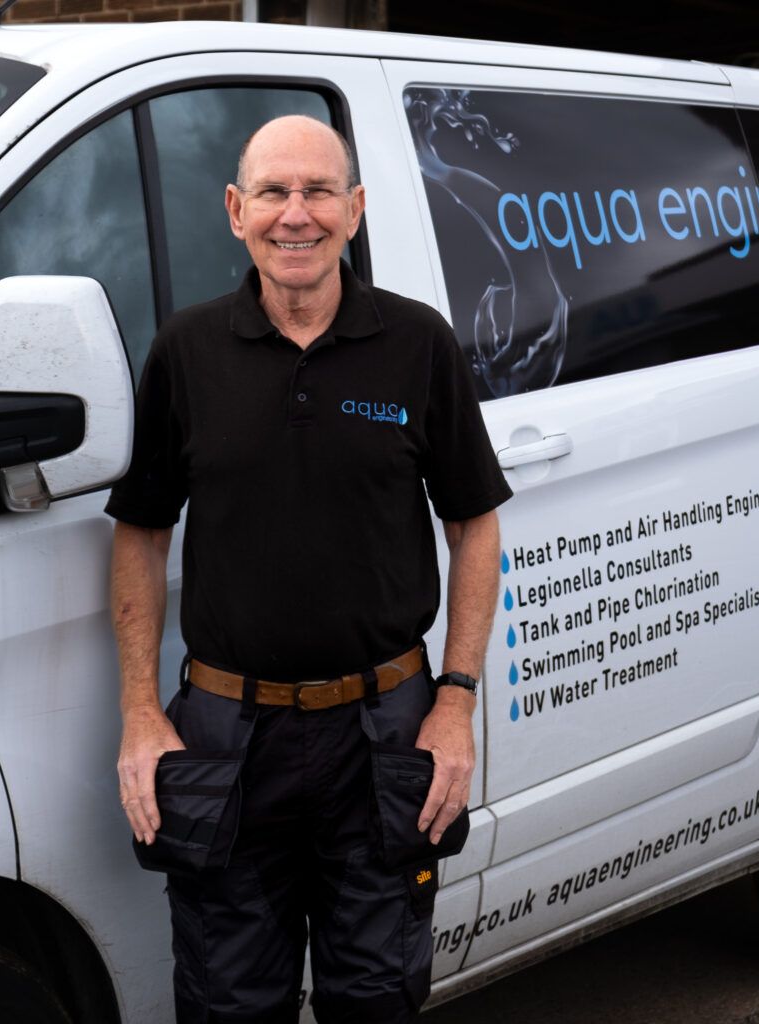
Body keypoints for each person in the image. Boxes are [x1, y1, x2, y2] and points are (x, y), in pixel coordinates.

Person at [107, 114, 512, 1023]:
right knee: (226, 1002)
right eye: (276, 193)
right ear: (235, 210)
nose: (299, 215)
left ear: (356, 209)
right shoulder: (186, 352)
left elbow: (473, 525)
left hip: (386, 734)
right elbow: (140, 531)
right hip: (225, 739)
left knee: (376, 999)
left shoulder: (417, 344)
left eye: (320, 191)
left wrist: (456, 701)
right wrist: (139, 711)